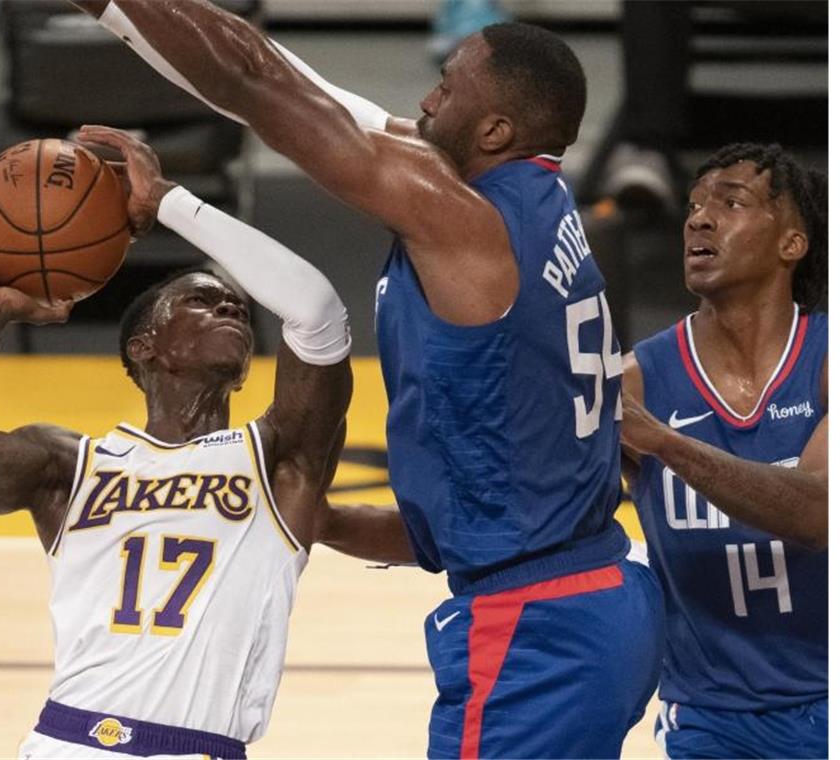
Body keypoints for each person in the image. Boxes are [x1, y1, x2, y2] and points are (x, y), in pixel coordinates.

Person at [71, 3, 664, 756]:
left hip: (536, 630)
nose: (423, 102)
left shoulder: (464, 222)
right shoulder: (540, 205)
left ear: (494, 132)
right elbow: (299, 87)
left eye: (446, 89)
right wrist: (311, 515)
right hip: (589, 598)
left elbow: (254, 81)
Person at [0, 128, 360, 758]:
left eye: (234, 305)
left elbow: (316, 311)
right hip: (64, 740)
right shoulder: (68, 465)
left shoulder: (279, 461)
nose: (230, 308)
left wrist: (168, 202)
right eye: (201, 301)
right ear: (145, 348)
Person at [620, 143, 828, 758]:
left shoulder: (836, 364)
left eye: (730, 203)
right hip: (709, 714)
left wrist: (664, 443)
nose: (699, 219)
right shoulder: (636, 382)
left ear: (792, 243)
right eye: (693, 205)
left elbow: (817, 513)